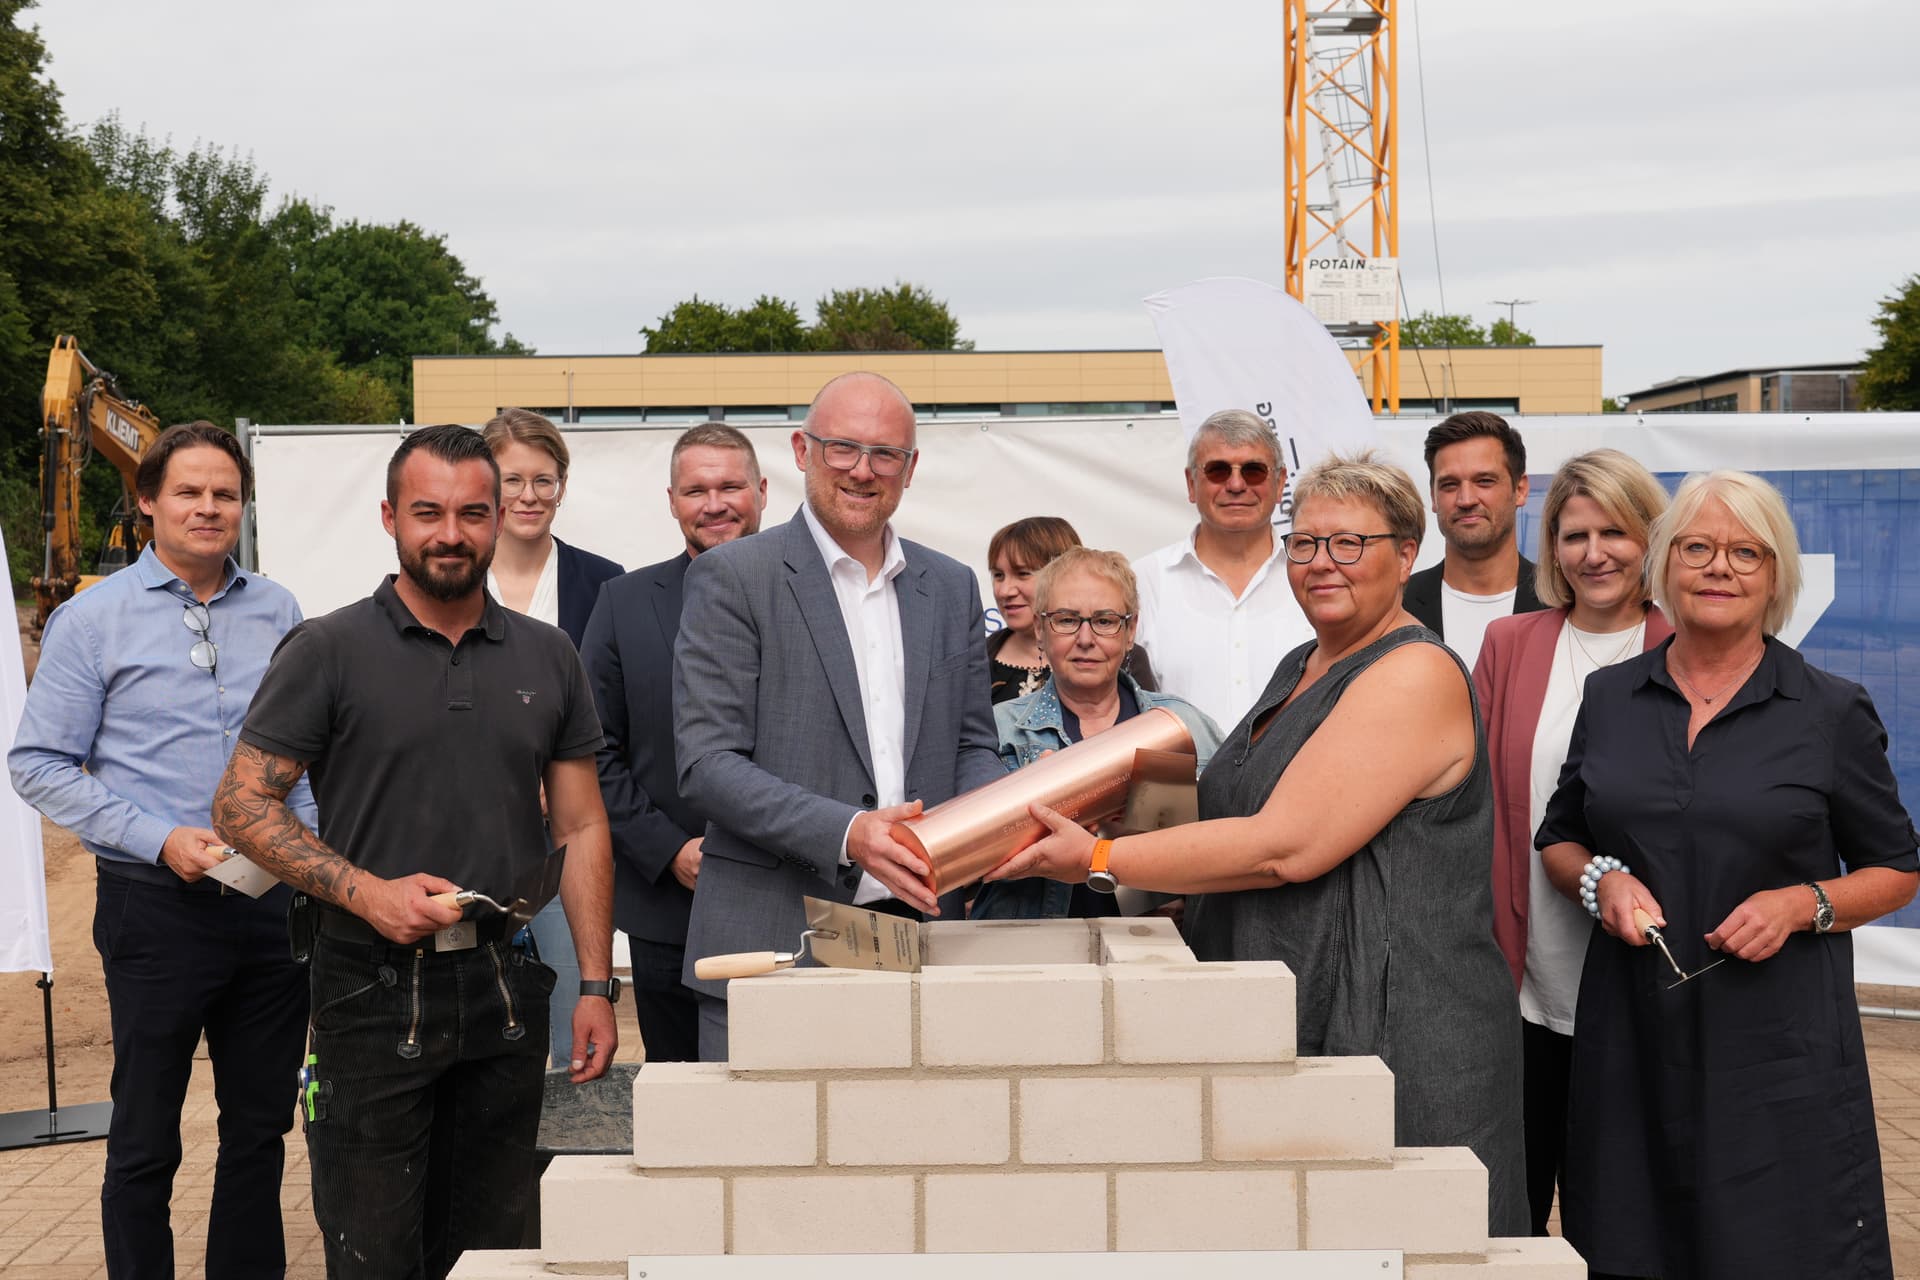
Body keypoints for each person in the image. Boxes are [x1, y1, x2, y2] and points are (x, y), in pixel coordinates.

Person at [990, 449, 1527, 1237]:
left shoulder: (1414, 672)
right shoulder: (1301, 664)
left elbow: (1284, 848)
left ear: (1407, 553)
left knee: (1407, 1249)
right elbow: (1226, 813)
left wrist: (1099, 859)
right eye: (1304, 543)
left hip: (1397, 1031)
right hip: (1308, 1019)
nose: (1321, 562)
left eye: (1349, 543)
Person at [211, 423, 618, 1280]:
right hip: (368, 988)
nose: (450, 534)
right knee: (375, 1257)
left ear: (499, 517)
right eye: (428, 512)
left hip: (505, 987)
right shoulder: (328, 648)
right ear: (391, 517)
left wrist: (594, 986)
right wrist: (369, 894)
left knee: (496, 1255)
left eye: (472, 513)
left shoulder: (549, 655)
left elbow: (582, 827)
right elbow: (241, 804)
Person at [1537, 470, 1918, 1280]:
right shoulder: (1610, 697)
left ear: (1776, 576)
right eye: (1697, 548)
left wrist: (1800, 904)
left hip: (1778, 1050)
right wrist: (1603, 883)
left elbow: (1895, 870)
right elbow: (1561, 837)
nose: (1720, 567)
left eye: (1746, 552)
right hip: (1633, 1037)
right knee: (1631, 1242)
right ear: (1664, 565)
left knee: (1777, 1248)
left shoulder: (1829, 709)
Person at [8, 422, 317, 1280]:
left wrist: (312, 856)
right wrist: (159, 838)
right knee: (146, 1134)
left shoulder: (280, 610)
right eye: (189, 492)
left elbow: (303, 757)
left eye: (225, 493)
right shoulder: (90, 619)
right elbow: (37, 764)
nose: (208, 508)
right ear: (147, 501)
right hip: (155, 909)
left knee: (260, 1128)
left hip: (270, 907)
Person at [673, 371, 1004, 1061]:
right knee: (766, 1132)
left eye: (885, 453)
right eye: (842, 448)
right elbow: (708, 764)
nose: (862, 469)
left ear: (910, 467)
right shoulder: (735, 577)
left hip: (921, 935)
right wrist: (850, 834)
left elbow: (973, 744)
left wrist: (987, 824)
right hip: (772, 944)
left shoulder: (950, 586)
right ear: (802, 450)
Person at [1471, 448, 1672, 1237]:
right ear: (1551, 547)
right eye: (1574, 534)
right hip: (1522, 973)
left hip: (1639, 972)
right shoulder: (1510, 643)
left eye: (1615, 532)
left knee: (1618, 1210)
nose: (1594, 554)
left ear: (1651, 540)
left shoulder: (1688, 645)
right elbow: (1473, 799)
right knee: (1510, 1207)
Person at [580, 421, 767, 1064]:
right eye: (695, 490)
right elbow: (595, 750)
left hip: (797, 905)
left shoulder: (818, 597)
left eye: (730, 486)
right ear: (671, 501)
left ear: (762, 491)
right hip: (670, 909)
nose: (714, 504)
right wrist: (668, 851)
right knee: (685, 1099)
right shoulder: (623, 602)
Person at [481, 408, 625, 1068]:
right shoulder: (452, 574)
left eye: (544, 480)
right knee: (484, 1024)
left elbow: (615, 712)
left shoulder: (605, 583)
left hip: (568, 838)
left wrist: (563, 785)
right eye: (512, 480)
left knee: (574, 1021)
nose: (529, 496)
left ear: (562, 486)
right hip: (475, 834)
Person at [971, 546, 1220, 920]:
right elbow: (967, 861)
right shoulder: (997, 730)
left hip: (1156, 947)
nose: (1086, 639)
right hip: (1031, 947)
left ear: (1130, 630)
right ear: (1039, 629)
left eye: (1105, 621)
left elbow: (1232, 844)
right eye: (1066, 620)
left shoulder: (1183, 725)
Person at [1132, 408, 1312, 730]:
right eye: (1217, 471)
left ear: (1280, 482)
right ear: (1191, 483)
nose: (1236, 484)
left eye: (1254, 471)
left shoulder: (1316, 576)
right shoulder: (1143, 582)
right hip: (1182, 766)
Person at [1402, 411, 1546, 669]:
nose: (1466, 499)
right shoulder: (1396, 604)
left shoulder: (1561, 601)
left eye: (1484, 481)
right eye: (1449, 485)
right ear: (1433, 497)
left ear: (1520, 490)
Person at [987, 516, 1082, 703]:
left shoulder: (1117, 658)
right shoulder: (973, 661)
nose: (1005, 591)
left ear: (1064, 574)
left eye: (1023, 574)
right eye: (998, 575)